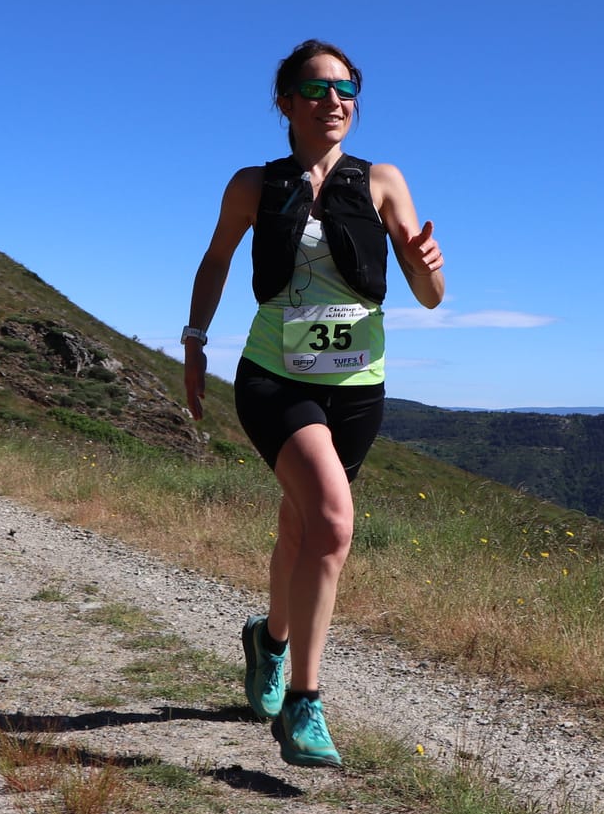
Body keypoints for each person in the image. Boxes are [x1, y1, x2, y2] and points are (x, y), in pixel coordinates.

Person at [184, 40, 445, 768]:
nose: (335, 100)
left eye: (347, 87)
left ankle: (267, 640)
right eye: (316, 88)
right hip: (275, 375)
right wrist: (195, 342)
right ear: (286, 103)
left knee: (301, 529)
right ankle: (305, 703)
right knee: (333, 522)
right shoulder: (252, 185)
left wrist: (427, 272)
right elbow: (215, 260)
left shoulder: (384, 181)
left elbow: (429, 295)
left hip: (359, 387)